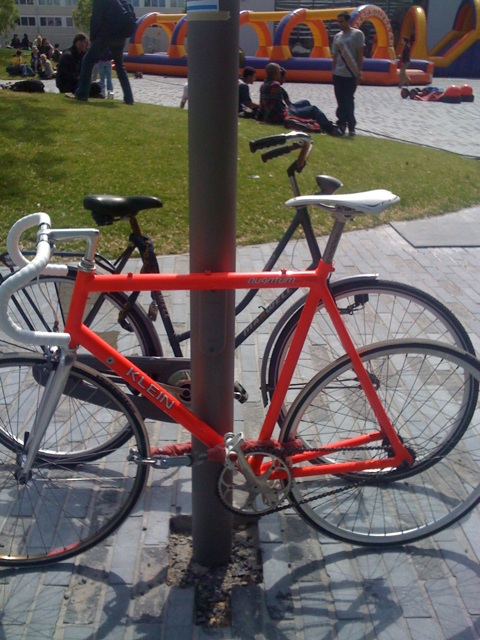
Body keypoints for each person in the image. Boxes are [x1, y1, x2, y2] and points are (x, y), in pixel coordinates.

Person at [66, 0, 134, 105]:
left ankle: (82, 94)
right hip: (121, 36)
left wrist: (92, 38)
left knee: (88, 60)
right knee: (120, 66)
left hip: (106, 35)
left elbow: (96, 18)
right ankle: (129, 98)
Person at [258, 63, 339, 135]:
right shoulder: (275, 85)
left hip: (274, 116)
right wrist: (288, 111)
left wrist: (259, 117)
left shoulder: (263, 85)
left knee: (305, 102)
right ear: (276, 73)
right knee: (313, 109)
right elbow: (278, 108)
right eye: (279, 72)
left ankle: (321, 124)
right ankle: (331, 130)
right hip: (281, 116)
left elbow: (263, 105)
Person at [331, 11, 365, 137]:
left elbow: (360, 56)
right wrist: (333, 71)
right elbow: (334, 56)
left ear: (347, 21)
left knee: (348, 100)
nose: (339, 24)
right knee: (340, 101)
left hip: (351, 74)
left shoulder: (357, 34)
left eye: (342, 21)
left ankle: (351, 126)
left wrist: (359, 73)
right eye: (338, 21)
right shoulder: (337, 37)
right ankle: (341, 124)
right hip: (338, 74)